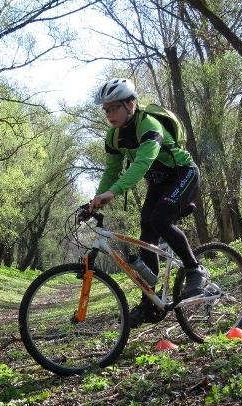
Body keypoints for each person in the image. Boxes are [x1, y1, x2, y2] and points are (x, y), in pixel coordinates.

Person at [88, 77, 207, 328]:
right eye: (106, 109)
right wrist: (98, 199)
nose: (109, 114)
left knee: (160, 219)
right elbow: (111, 171)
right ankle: (150, 302)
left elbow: (142, 163)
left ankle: (195, 270)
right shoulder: (113, 137)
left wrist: (115, 192)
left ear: (131, 104)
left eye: (114, 108)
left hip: (183, 174)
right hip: (158, 183)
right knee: (146, 238)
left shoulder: (149, 126)